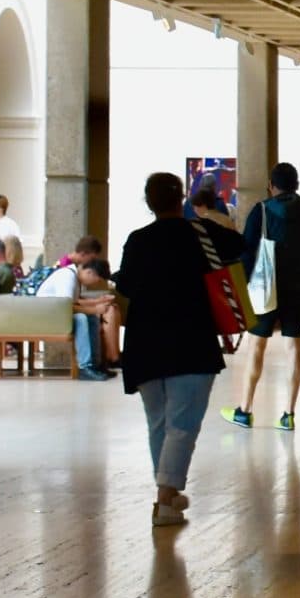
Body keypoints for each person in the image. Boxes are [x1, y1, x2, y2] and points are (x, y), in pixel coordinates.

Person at [114, 172, 233, 527]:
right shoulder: (201, 234)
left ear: (148, 202)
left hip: (145, 343)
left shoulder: (137, 240)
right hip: (191, 339)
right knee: (182, 424)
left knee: (159, 423)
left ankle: (167, 493)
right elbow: (242, 247)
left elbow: (127, 287)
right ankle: (166, 498)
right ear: (181, 197)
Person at [227, 162, 300, 433]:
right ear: (297, 184)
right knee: (293, 346)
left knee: (257, 346)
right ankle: (288, 414)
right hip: (298, 288)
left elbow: (247, 251)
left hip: (266, 287)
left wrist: (245, 285)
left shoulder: (261, 210)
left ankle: (245, 410)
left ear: (271, 186)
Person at [38, 249, 120, 378]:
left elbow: (74, 302)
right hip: (46, 318)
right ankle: (85, 368)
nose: (95, 284)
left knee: (91, 318)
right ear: (89, 272)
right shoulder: (67, 277)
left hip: (55, 315)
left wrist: (96, 304)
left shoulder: (74, 277)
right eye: (97, 280)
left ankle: (95, 365)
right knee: (81, 318)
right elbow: (66, 307)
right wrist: (96, 309)